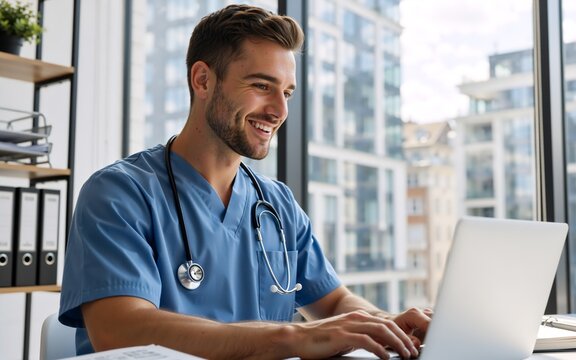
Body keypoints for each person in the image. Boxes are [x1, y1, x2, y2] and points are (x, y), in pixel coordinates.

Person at [59, 4, 430, 359]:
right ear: (203, 80)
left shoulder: (277, 204)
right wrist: (295, 336)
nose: (280, 111)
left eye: (286, 93)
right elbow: (121, 330)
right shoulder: (118, 194)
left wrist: (385, 323)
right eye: (261, 86)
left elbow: (333, 302)